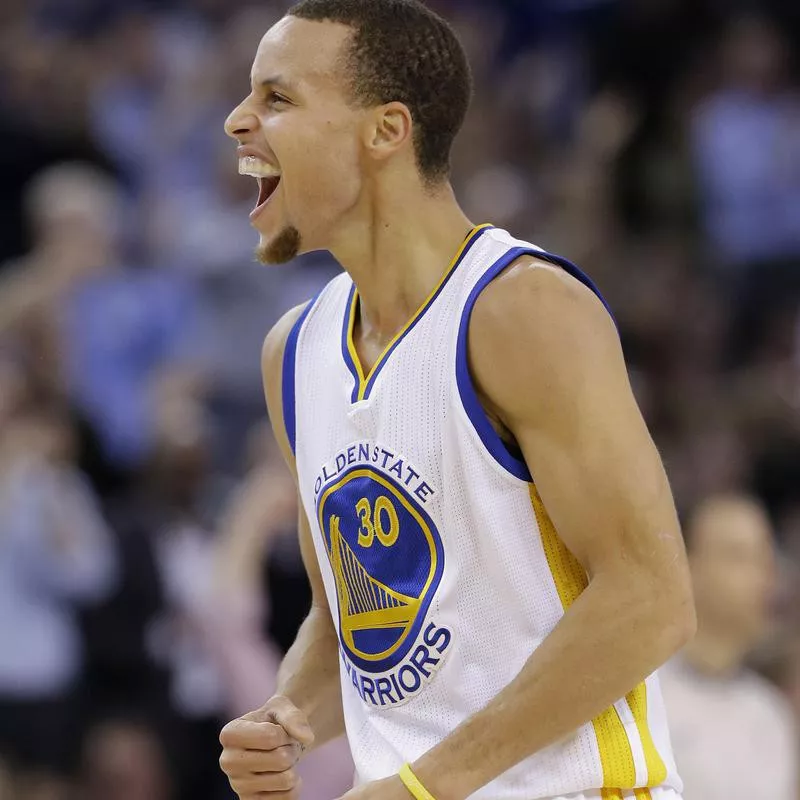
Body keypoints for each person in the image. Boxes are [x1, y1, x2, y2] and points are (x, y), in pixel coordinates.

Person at [219, 2, 696, 799]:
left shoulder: (521, 310)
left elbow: (653, 600)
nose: (237, 120)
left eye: (278, 98)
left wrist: (426, 785)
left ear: (385, 130)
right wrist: (288, 717)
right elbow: (352, 623)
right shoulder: (293, 353)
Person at [659, 494, 798, 800]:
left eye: (766, 559)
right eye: (740, 557)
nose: (763, 576)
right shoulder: (644, 696)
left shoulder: (770, 714)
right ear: (688, 566)